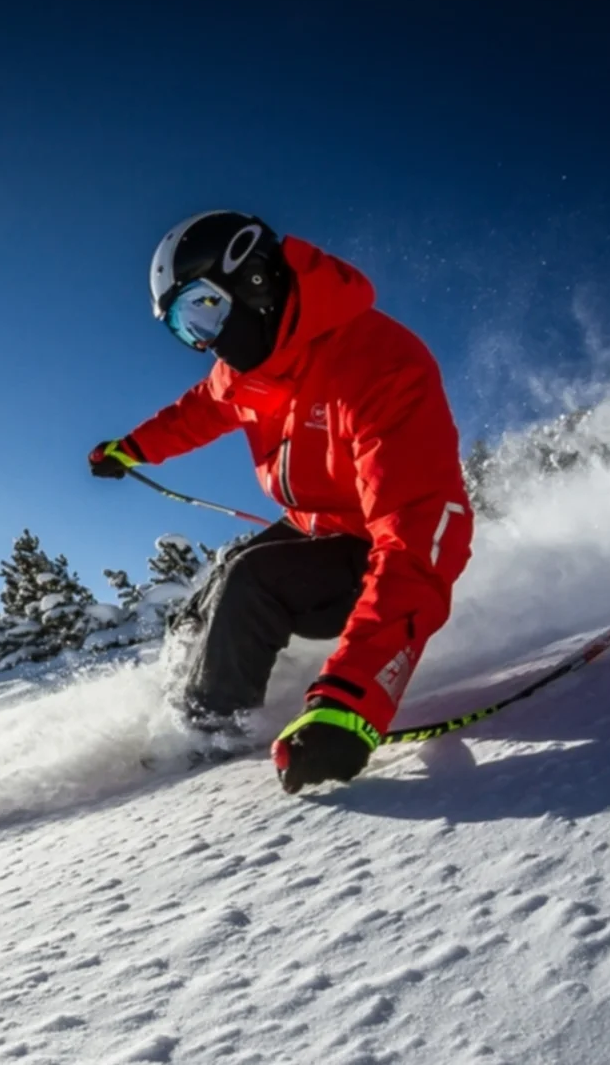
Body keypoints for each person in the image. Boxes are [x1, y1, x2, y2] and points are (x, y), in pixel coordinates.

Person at [89, 210, 474, 793]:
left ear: (255, 281)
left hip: (373, 551)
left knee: (250, 579)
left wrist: (351, 701)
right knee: (216, 582)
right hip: (315, 525)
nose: (205, 340)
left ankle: (207, 741)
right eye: (184, 328)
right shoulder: (250, 372)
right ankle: (177, 710)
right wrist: (132, 449)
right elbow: (198, 411)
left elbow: (418, 537)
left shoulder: (379, 366)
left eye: (203, 310)